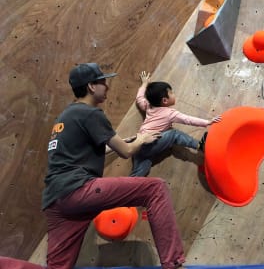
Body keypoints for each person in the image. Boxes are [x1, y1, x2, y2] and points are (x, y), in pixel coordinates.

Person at [0, 63, 185, 269]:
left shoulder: (66, 116)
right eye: (103, 82)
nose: (107, 86)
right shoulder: (91, 113)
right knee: (155, 188)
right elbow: (127, 152)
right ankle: (174, 265)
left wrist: (131, 138)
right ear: (91, 86)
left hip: (56, 200)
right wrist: (142, 139)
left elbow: (97, 150)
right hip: (77, 190)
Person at [130, 71, 221, 177]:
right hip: (149, 144)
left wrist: (144, 84)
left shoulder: (148, 106)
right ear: (165, 100)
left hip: (137, 146)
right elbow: (188, 119)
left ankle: (128, 189)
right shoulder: (170, 113)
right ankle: (199, 145)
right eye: (171, 93)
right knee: (174, 134)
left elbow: (139, 98)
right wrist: (208, 122)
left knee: (138, 174)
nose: (174, 94)